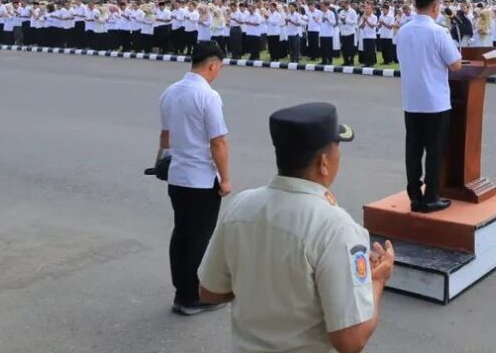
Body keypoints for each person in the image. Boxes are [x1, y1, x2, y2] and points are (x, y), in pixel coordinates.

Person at [197, 102, 393, 353]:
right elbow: (351, 340)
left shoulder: (241, 206)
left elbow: (210, 292)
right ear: (323, 162)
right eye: (337, 148)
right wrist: (377, 281)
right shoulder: (337, 228)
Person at [157, 41, 232, 316]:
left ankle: (182, 292)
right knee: (197, 239)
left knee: (181, 234)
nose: (218, 73)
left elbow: (165, 136)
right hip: (201, 179)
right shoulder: (207, 96)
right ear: (212, 65)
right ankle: (190, 297)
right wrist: (226, 179)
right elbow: (218, 142)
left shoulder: (170, 92)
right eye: (219, 68)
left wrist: (160, 162)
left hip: (178, 177)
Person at [396, 0, 463, 214]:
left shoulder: (403, 31)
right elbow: (456, 65)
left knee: (413, 150)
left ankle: (415, 196)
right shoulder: (438, 32)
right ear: (435, 7)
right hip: (435, 101)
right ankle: (431, 196)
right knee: (435, 150)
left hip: (412, 100)